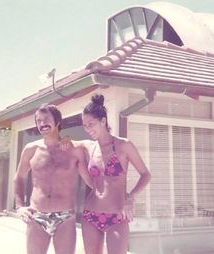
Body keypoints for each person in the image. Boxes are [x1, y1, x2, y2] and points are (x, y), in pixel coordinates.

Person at [13, 103, 92, 254]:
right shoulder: (31, 149)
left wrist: (113, 194)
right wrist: (19, 207)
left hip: (65, 217)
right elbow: (19, 178)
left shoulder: (74, 149)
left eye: (46, 119)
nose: (42, 124)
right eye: (38, 121)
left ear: (58, 121)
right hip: (36, 216)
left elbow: (89, 179)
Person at [79, 94, 151, 254]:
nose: (88, 129)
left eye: (91, 124)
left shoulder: (124, 145)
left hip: (117, 215)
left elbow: (146, 174)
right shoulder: (89, 146)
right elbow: (66, 144)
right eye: (85, 125)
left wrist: (131, 197)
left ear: (103, 121)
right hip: (91, 213)